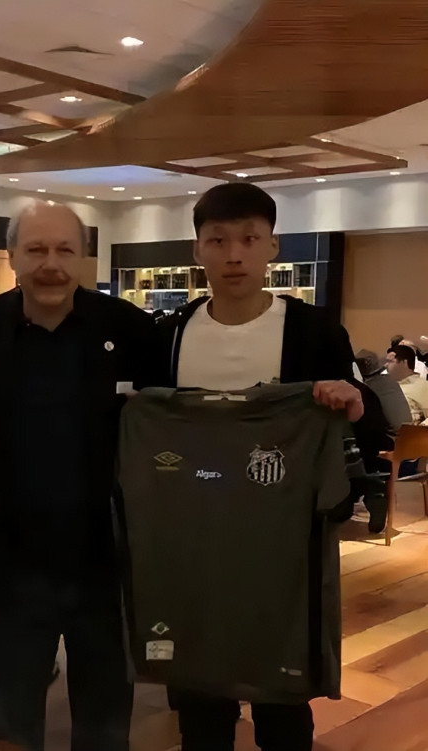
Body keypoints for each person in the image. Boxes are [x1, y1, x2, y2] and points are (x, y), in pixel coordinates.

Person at [0, 199, 161, 751]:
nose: (51, 264)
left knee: (105, 726)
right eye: (36, 249)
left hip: (106, 562)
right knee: (10, 726)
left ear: (83, 257)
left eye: (65, 250)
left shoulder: (132, 331)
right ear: (12, 255)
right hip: (8, 565)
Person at [157, 183, 364, 751]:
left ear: (273, 246)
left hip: (283, 546)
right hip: (192, 542)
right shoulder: (169, 336)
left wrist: (351, 403)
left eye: (249, 240)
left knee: (283, 704)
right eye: (217, 240)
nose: (233, 255)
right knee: (200, 700)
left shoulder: (315, 331)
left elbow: (356, 421)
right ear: (196, 249)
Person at [386, 345, 428, 424]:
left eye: (390, 361)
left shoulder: (422, 386)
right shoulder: (387, 386)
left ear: (404, 363)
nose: (386, 365)